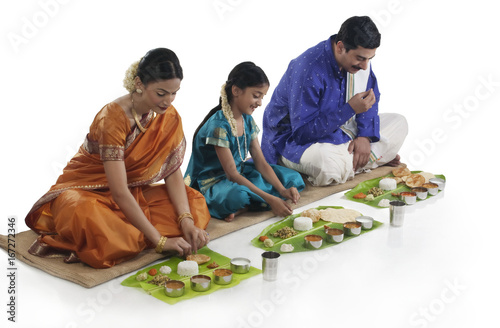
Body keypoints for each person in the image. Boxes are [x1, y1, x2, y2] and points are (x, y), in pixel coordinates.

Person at [25, 48, 211, 268]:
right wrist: (160, 241)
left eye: (174, 93)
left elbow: (171, 171)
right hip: (84, 192)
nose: (168, 101)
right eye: (161, 93)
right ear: (139, 84)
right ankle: (133, 234)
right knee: (108, 231)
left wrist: (186, 221)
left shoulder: (167, 116)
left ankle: (134, 230)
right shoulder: (113, 118)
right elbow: (119, 191)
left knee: (195, 203)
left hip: (131, 191)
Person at [261, 16, 408, 186]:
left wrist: (365, 137)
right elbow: (302, 134)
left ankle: (356, 160)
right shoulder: (308, 69)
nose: (365, 66)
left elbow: (371, 101)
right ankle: (370, 159)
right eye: (361, 58)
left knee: (399, 123)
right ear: (340, 47)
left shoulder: (359, 62)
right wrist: (350, 109)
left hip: (341, 131)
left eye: (370, 59)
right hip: (291, 140)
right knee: (328, 164)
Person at [184, 62, 305, 221]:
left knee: (292, 178)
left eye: (262, 97)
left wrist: (282, 190)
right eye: (256, 95)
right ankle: (249, 205)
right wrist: (271, 199)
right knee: (237, 196)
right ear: (236, 90)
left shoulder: (247, 120)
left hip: (239, 172)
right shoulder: (218, 126)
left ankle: (249, 206)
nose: (260, 103)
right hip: (214, 183)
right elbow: (232, 174)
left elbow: (261, 162)